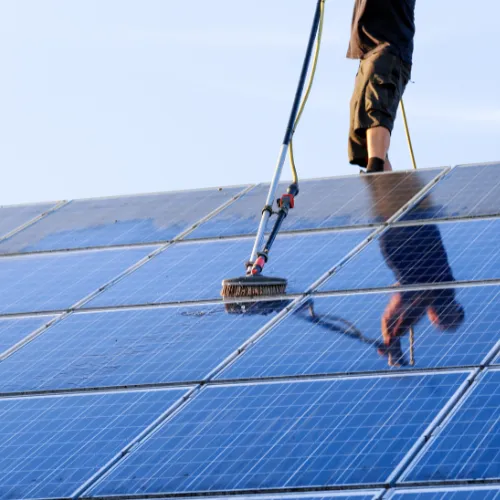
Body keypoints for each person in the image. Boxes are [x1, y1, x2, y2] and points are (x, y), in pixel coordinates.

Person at [347, 0, 416, 173]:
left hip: (388, 50)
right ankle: (385, 186)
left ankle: (376, 168)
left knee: (376, 108)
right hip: (368, 52)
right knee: (360, 121)